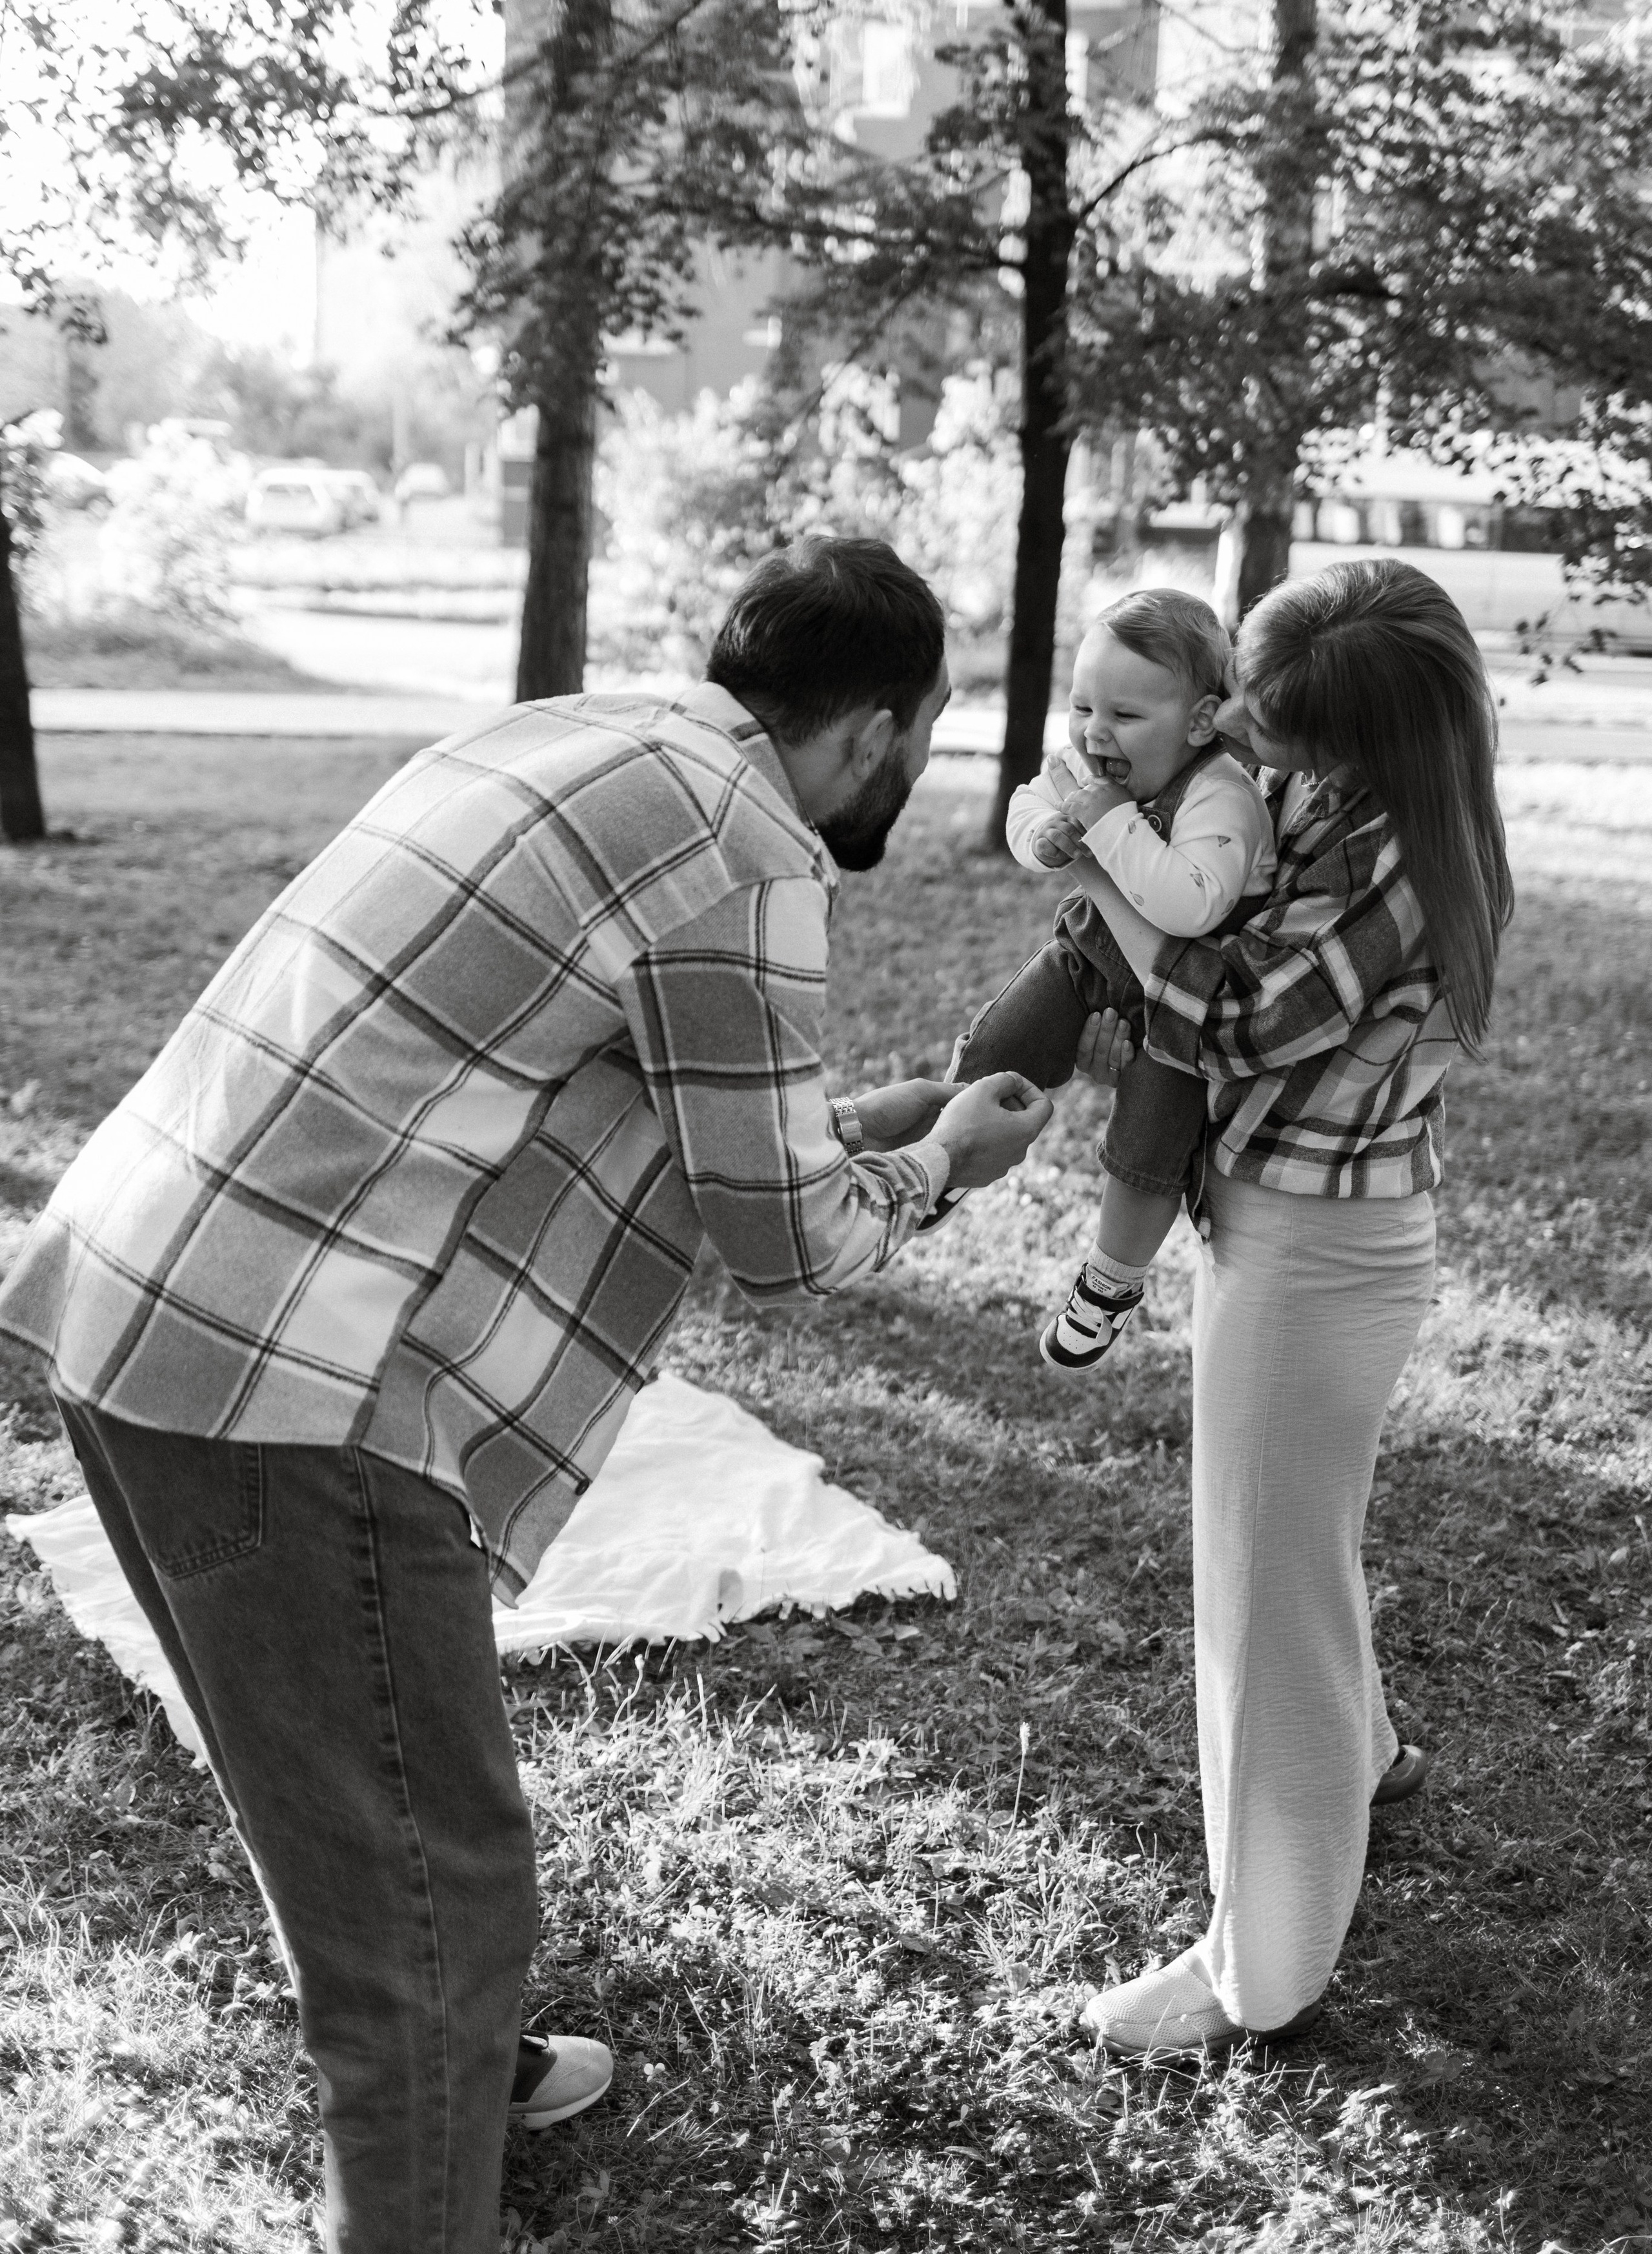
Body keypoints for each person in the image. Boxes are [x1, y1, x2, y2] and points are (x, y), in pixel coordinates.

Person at [0, 535, 1053, 2253]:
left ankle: (459, 2085)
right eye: (921, 743)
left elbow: (637, 1114)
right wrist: (946, 1169)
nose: (911, 778)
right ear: (871, 731)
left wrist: (871, 1121)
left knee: (351, 1815)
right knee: (434, 1884)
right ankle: (421, 2175)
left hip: (150, 1300)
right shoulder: (751, 849)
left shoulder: (570, 741)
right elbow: (785, 1246)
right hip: (302, 1388)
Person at [1069, 557, 1513, 2060]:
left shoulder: (1392, 848)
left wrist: (1098, 876)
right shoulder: (1344, 799)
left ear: (1372, 736)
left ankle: (1256, 1964)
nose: (1252, 730)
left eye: (1290, 723)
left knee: (1259, 1607)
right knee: (1297, 1550)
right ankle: (1369, 1753)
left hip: (1317, 1250)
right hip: (1290, 1222)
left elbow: (1245, 1027)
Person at [951, 589, 1275, 1371]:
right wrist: (1046, 839)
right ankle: (946, 1157)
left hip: (1181, 1002)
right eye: (1082, 706)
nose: (1095, 732)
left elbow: (1190, 905)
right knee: (998, 1046)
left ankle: (1111, 1281)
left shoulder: (1221, 795)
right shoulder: (1088, 767)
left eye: (1125, 717)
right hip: (1089, 961)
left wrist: (1103, 822)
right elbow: (1028, 807)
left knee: (1148, 1145)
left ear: (1200, 722)